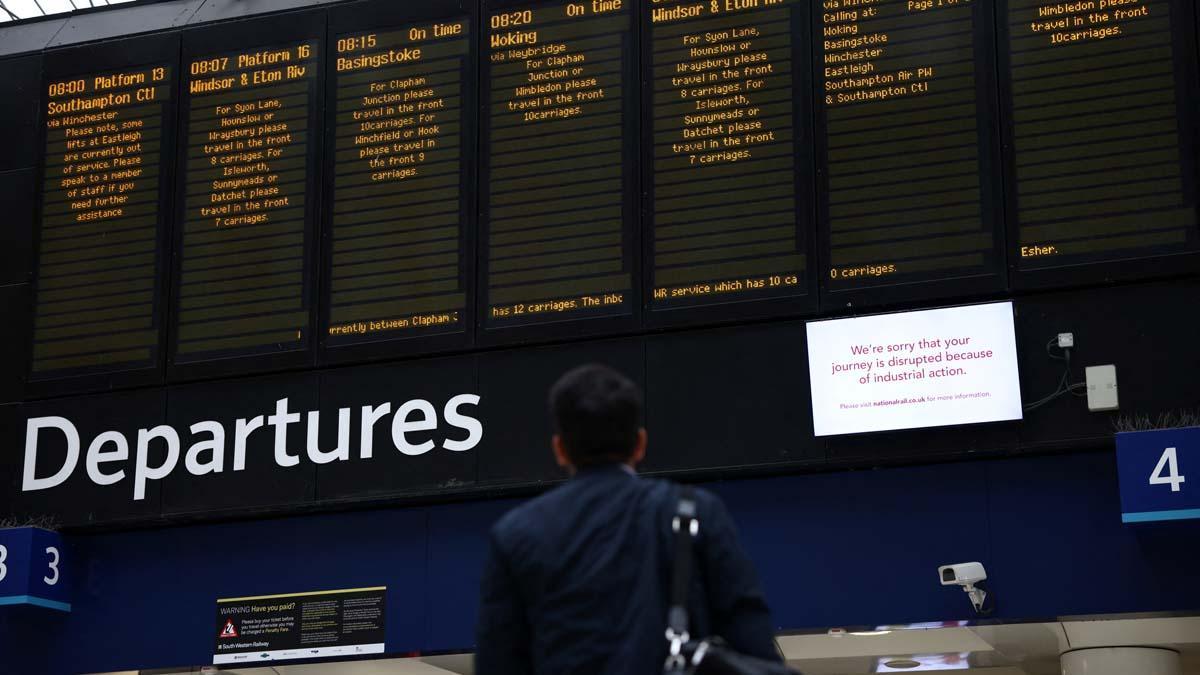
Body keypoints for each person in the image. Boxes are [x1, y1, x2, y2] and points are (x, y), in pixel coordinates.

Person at [475, 364, 781, 674]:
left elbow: (496, 662)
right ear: (640, 444)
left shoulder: (514, 534)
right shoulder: (696, 511)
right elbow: (753, 647)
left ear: (560, 449)